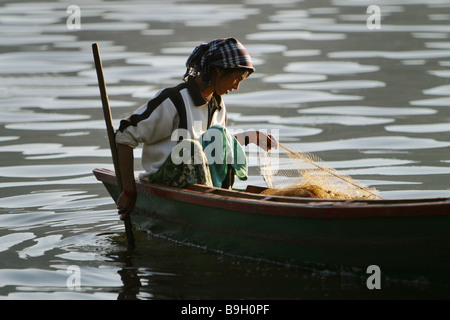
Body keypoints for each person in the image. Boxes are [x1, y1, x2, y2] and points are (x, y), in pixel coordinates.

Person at [115, 37, 278, 220]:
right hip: (165, 181)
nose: (237, 86)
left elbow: (214, 146)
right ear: (218, 71)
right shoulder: (174, 100)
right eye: (236, 78)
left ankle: (220, 201)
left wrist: (250, 137)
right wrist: (128, 191)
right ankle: (212, 207)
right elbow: (124, 135)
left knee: (220, 135)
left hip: (200, 185)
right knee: (190, 149)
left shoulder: (218, 104)